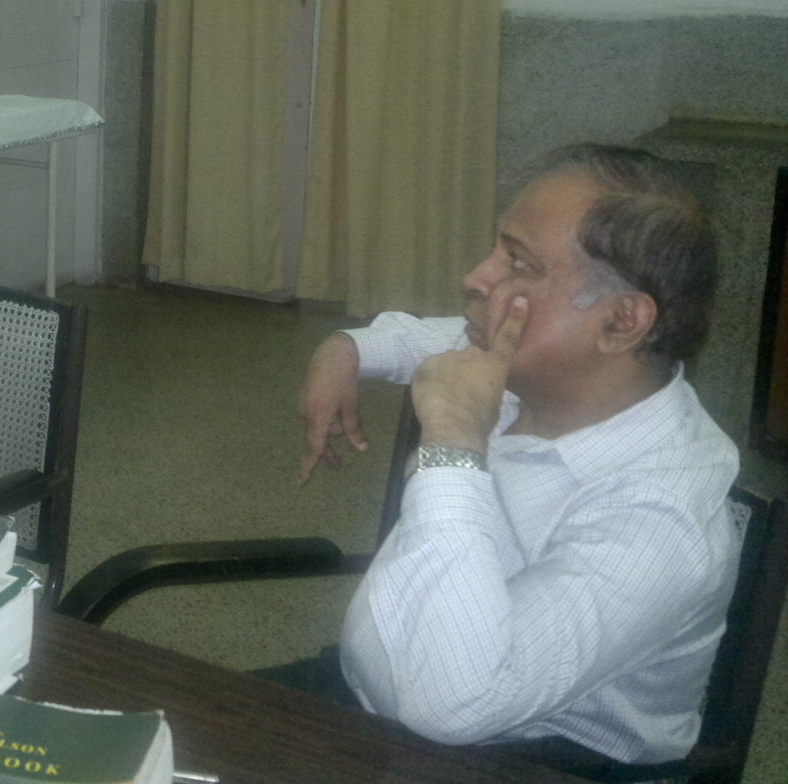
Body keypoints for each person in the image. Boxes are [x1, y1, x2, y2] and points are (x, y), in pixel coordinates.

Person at [296, 144, 739, 766]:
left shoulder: (663, 517)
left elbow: (453, 704)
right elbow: (419, 335)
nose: (476, 278)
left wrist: (454, 442)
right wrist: (344, 349)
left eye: (518, 263)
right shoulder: (533, 367)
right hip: (369, 703)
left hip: (531, 758)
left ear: (621, 323)